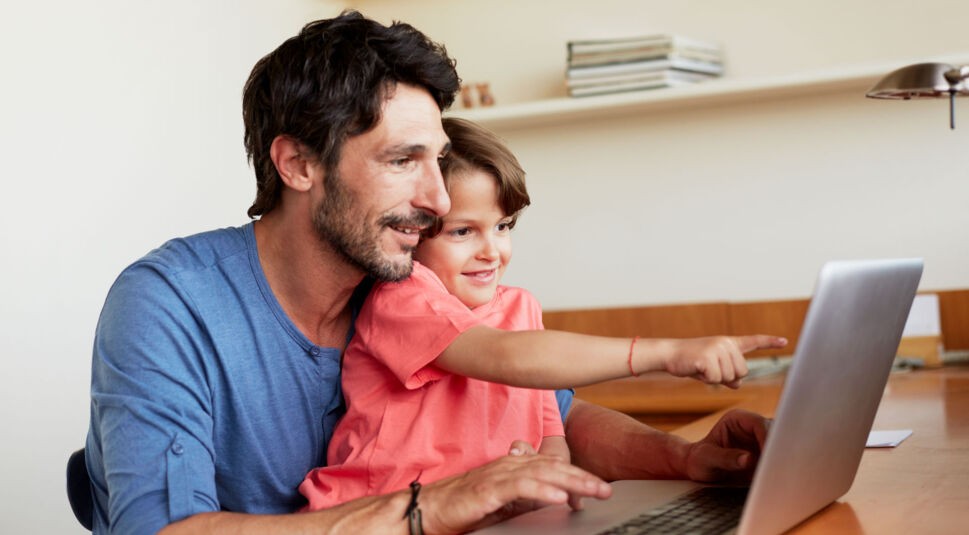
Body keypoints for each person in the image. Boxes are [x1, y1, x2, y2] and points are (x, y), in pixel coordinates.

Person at [84, 10, 781, 535]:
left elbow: (541, 411)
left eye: (436, 159)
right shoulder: (170, 304)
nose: (438, 199)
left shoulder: (401, 271)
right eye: (400, 161)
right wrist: (425, 506)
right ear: (297, 163)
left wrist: (683, 458)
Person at [298, 117, 787, 510]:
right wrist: (666, 351)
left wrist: (553, 475)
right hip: (379, 513)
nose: (492, 250)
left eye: (503, 226)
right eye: (463, 232)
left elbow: (548, 421)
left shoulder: (519, 306)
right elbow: (503, 357)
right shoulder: (402, 296)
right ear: (414, 232)